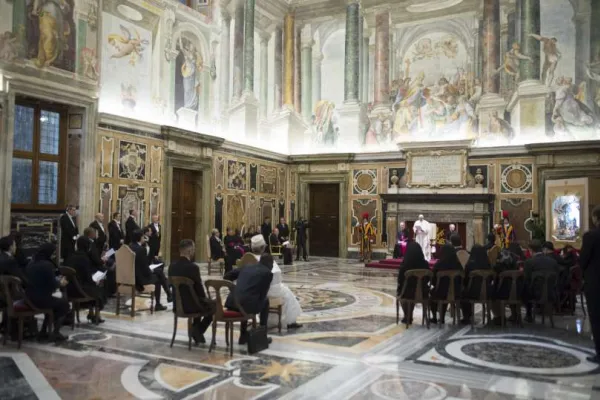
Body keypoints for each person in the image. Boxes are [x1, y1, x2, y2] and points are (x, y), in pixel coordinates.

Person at [224, 236, 274, 345]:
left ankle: (243, 336)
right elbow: (263, 294)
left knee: (246, 298)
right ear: (270, 265)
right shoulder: (267, 273)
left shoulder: (247, 267)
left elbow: (227, 275)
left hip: (231, 302)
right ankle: (263, 335)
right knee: (265, 301)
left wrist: (234, 287)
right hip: (244, 306)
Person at [169, 239, 216, 344]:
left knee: (198, 301)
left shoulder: (172, 266)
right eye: (193, 249)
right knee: (214, 305)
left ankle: (197, 333)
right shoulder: (193, 267)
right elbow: (200, 291)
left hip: (177, 306)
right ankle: (197, 331)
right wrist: (206, 299)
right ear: (190, 251)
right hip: (191, 307)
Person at [26, 243, 70, 342]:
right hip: (42, 299)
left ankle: (43, 330)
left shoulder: (31, 263)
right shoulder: (47, 265)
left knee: (55, 302)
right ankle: (56, 332)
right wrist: (61, 283)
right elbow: (53, 284)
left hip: (29, 298)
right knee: (64, 304)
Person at [66, 237, 106, 323]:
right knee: (99, 289)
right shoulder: (84, 258)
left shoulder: (71, 256)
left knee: (93, 287)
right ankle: (96, 315)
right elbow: (88, 278)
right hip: (80, 290)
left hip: (69, 289)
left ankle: (91, 313)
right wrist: (96, 280)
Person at [130, 229, 171, 311]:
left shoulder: (130, 247)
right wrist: (151, 271)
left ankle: (169, 294)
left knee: (158, 272)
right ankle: (163, 300)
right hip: (139, 280)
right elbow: (145, 267)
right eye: (142, 237)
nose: (143, 238)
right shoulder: (141, 249)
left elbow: (141, 264)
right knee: (158, 277)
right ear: (140, 238)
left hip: (131, 276)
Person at [523, 240, 561, 322]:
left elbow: (526, 279)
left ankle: (528, 314)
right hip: (551, 292)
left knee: (523, 287)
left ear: (530, 250)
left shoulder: (529, 262)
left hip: (534, 294)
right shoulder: (553, 262)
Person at [580, 205, 600, 363]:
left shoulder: (591, 236)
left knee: (597, 318)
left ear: (596, 218)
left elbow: (583, 260)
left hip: (595, 282)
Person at [396, 242, 430, 324]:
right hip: (423, 292)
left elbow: (400, 280)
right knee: (413, 290)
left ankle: (408, 316)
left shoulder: (404, 265)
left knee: (402, 292)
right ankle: (423, 317)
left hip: (407, 292)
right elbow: (428, 278)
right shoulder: (425, 264)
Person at [430, 244, 463, 324]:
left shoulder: (439, 264)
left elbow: (433, 280)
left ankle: (435, 317)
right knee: (446, 290)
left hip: (441, 293)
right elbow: (461, 279)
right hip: (456, 293)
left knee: (433, 294)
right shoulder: (458, 265)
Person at [460, 244, 492, 324]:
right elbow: (491, 278)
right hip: (488, 292)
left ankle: (467, 316)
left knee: (463, 294)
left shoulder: (470, 265)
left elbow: (465, 280)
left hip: (473, 293)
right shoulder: (488, 265)